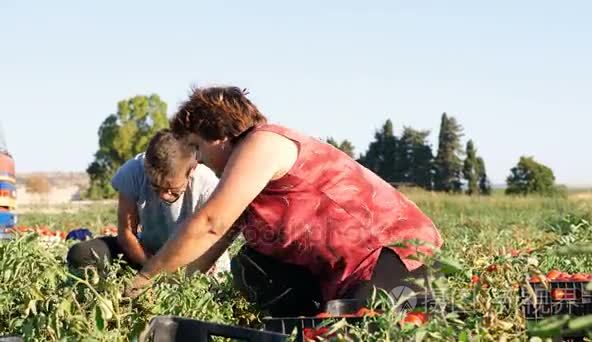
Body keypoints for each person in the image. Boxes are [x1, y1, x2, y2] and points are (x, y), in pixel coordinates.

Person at [126, 86, 443, 316]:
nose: (199, 160)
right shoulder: (245, 183)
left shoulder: (263, 143)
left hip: (392, 255)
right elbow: (205, 252)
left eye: (197, 146)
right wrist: (164, 301)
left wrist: (143, 280)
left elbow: (209, 224)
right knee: (251, 265)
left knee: (372, 327)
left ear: (218, 134)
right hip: (342, 274)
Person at [67, 129, 230, 276]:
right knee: (81, 253)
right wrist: (151, 270)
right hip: (147, 255)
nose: (163, 196)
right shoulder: (133, 171)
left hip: (194, 262)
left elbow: (212, 239)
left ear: (192, 170)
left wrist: (180, 274)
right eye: (155, 187)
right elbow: (127, 234)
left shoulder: (207, 184)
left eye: (172, 189)